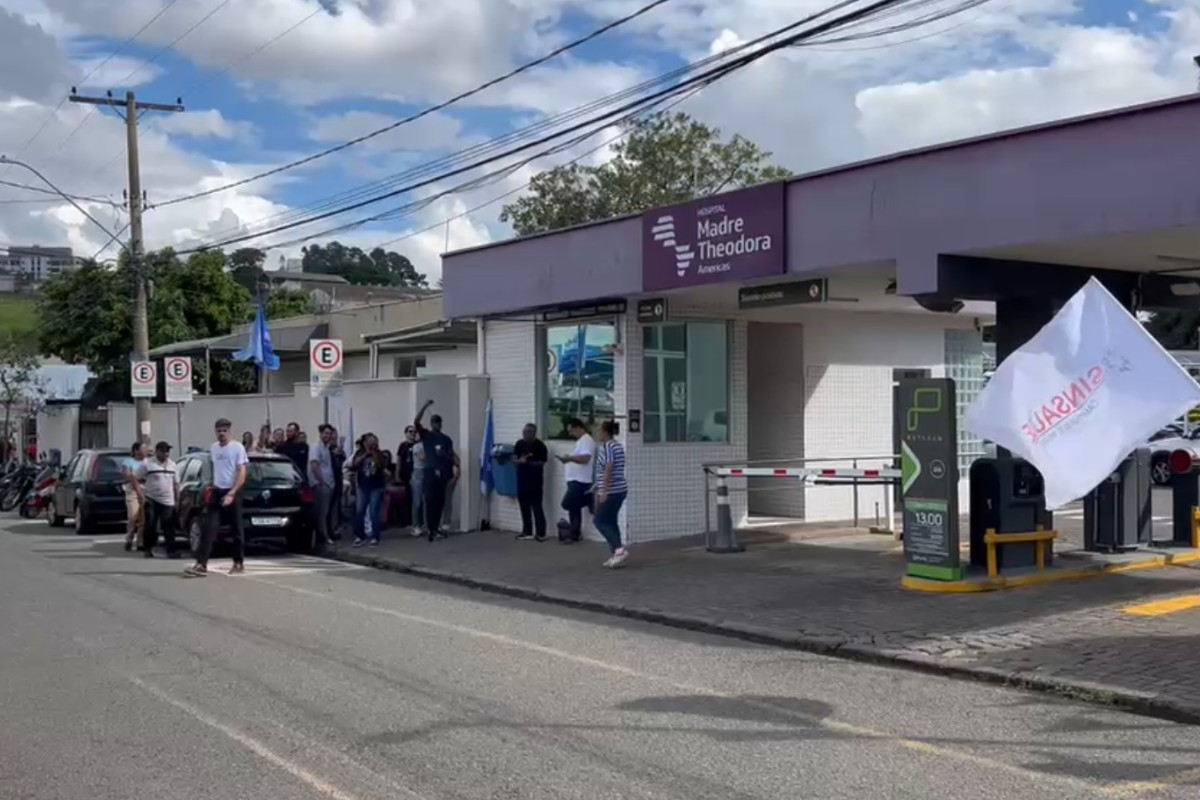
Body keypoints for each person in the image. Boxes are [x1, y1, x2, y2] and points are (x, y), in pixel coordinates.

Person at [185, 418, 248, 578]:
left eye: (224, 431)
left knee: (236, 529)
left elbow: (241, 472)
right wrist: (212, 485)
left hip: (233, 491)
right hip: (218, 491)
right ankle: (201, 564)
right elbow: (216, 469)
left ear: (230, 431)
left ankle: (238, 562)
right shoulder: (214, 448)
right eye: (219, 431)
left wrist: (232, 493)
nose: (221, 434)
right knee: (209, 527)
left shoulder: (237, 448)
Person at [414, 400, 459, 542]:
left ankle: (436, 528)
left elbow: (451, 456)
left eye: (438, 422)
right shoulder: (427, 435)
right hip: (430, 470)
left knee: (440, 502)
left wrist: (445, 458)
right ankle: (430, 529)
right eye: (434, 422)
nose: (436, 424)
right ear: (431, 424)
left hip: (443, 471)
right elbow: (416, 421)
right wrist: (425, 406)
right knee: (430, 500)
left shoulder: (446, 439)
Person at [593, 420, 629, 568]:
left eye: (599, 430)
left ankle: (619, 550)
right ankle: (615, 552)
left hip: (612, 490)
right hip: (619, 489)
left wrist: (604, 491)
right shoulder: (617, 445)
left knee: (600, 521)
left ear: (605, 432)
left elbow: (609, 467)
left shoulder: (608, 446)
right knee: (611, 521)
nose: (598, 433)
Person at [556, 418, 595, 544]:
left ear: (578, 427)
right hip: (574, 479)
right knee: (574, 509)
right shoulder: (580, 441)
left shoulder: (587, 441)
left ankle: (588, 499)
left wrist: (570, 459)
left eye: (572, 431)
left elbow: (585, 458)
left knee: (567, 503)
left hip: (580, 480)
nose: (571, 434)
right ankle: (574, 534)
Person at [139, 441, 181, 558]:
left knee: (168, 525)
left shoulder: (173, 465)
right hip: (151, 499)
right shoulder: (148, 464)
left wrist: (177, 499)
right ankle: (148, 548)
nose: (166, 454)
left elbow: (176, 484)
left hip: (168, 500)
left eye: (167, 451)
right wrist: (142, 495)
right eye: (163, 451)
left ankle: (171, 550)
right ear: (157, 452)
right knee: (151, 525)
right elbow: (138, 479)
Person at [351, 433, 387, 547]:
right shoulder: (360, 453)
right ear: (365, 442)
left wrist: (374, 453)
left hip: (376, 486)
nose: (373, 444)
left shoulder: (379, 453)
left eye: (375, 442)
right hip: (362, 486)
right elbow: (354, 464)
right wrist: (365, 453)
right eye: (370, 442)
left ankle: (375, 537)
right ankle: (359, 536)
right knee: (360, 511)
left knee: (373, 512)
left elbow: (381, 466)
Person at [514, 423, 548, 541]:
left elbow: (542, 462)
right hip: (522, 479)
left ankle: (541, 533)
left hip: (535, 481)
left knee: (537, 507)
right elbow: (514, 459)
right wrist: (520, 461)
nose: (525, 434)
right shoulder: (519, 444)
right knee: (524, 506)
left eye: (528, 432)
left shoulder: (540, 446)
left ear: (533, 433)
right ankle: (527, 531)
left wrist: (528, 463)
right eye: (524, 432)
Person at [309, 425, 337, 546]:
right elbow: (314, 465)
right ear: (320, 434)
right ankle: (323, 537)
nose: (328, 436)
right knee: (322, 512)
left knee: (326, 512)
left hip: (329, 483)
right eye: (325, 433)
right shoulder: (316, 447)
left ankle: (325, 535)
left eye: (330, 433)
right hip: (321, 484)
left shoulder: (327, 447)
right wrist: (321, 481)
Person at [122, 441, 147, 552]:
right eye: (143, 449)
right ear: (136, 451)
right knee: (133, 516)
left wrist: (136, 477)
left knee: (143, 518)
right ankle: (129, 538)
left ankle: (140, 541)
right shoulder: (128, 462)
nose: (145, 451)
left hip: (145, 489)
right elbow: (127, 476)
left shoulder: (147, 462)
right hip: (132, 490)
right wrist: (135, 478)